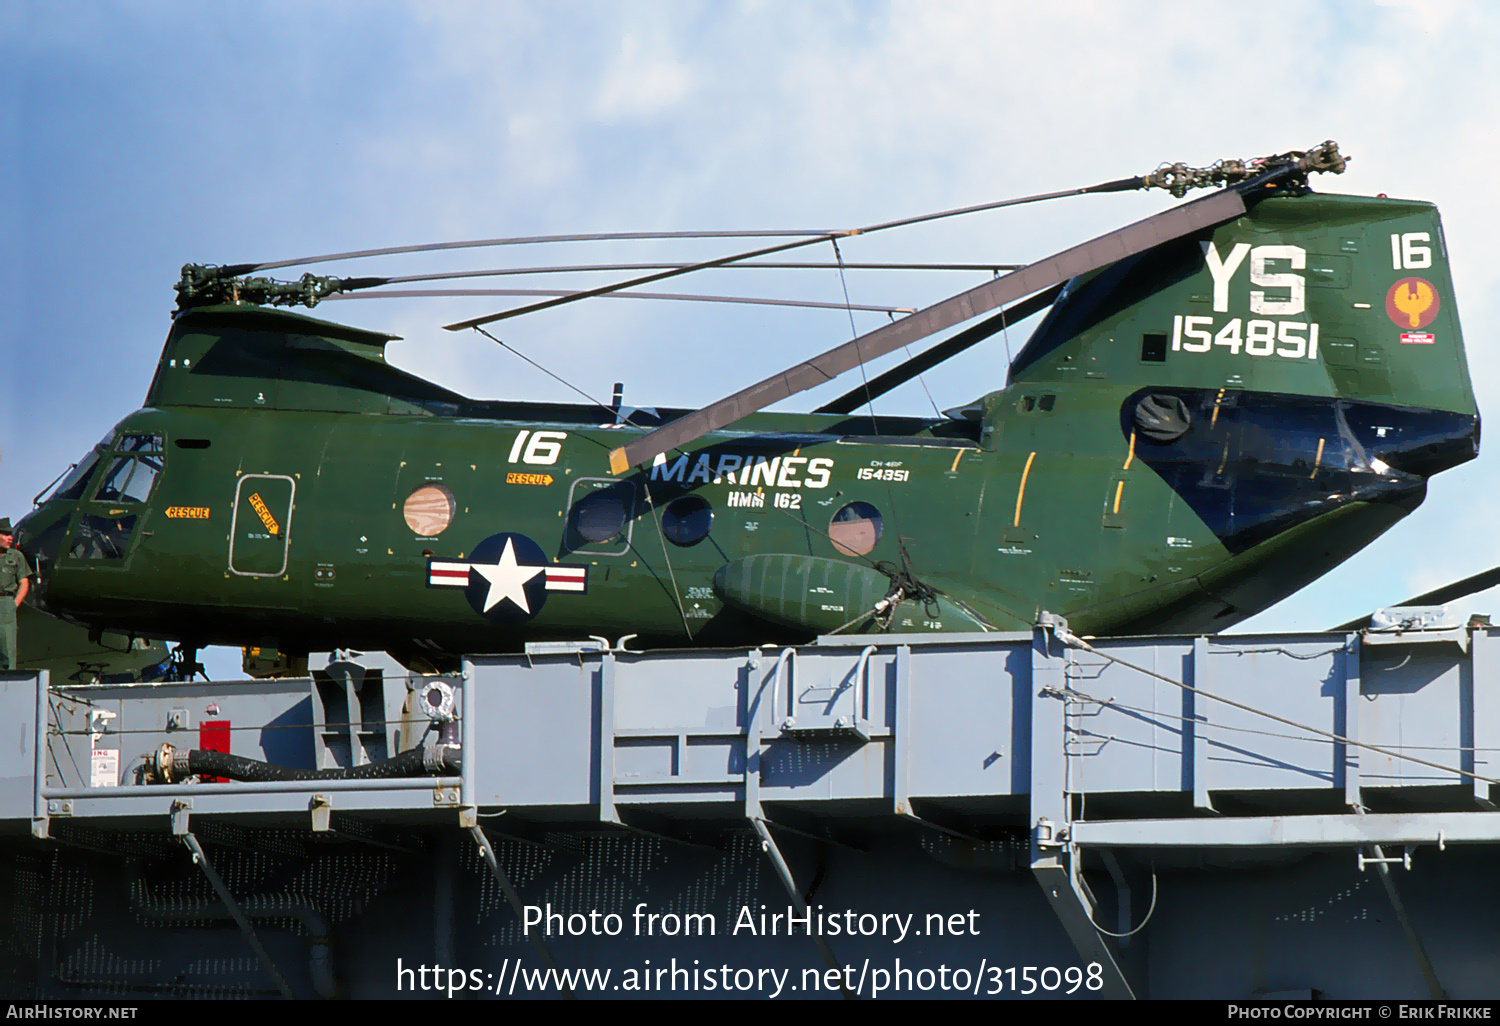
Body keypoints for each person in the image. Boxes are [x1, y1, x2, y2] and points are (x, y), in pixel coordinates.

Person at [0, 518, 33, 671]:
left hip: (6, 602)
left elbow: (24, 582)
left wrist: (14, 604)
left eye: (10, 534)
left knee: (7, 650)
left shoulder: (15, 556)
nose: (10, 538)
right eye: (6, 534)